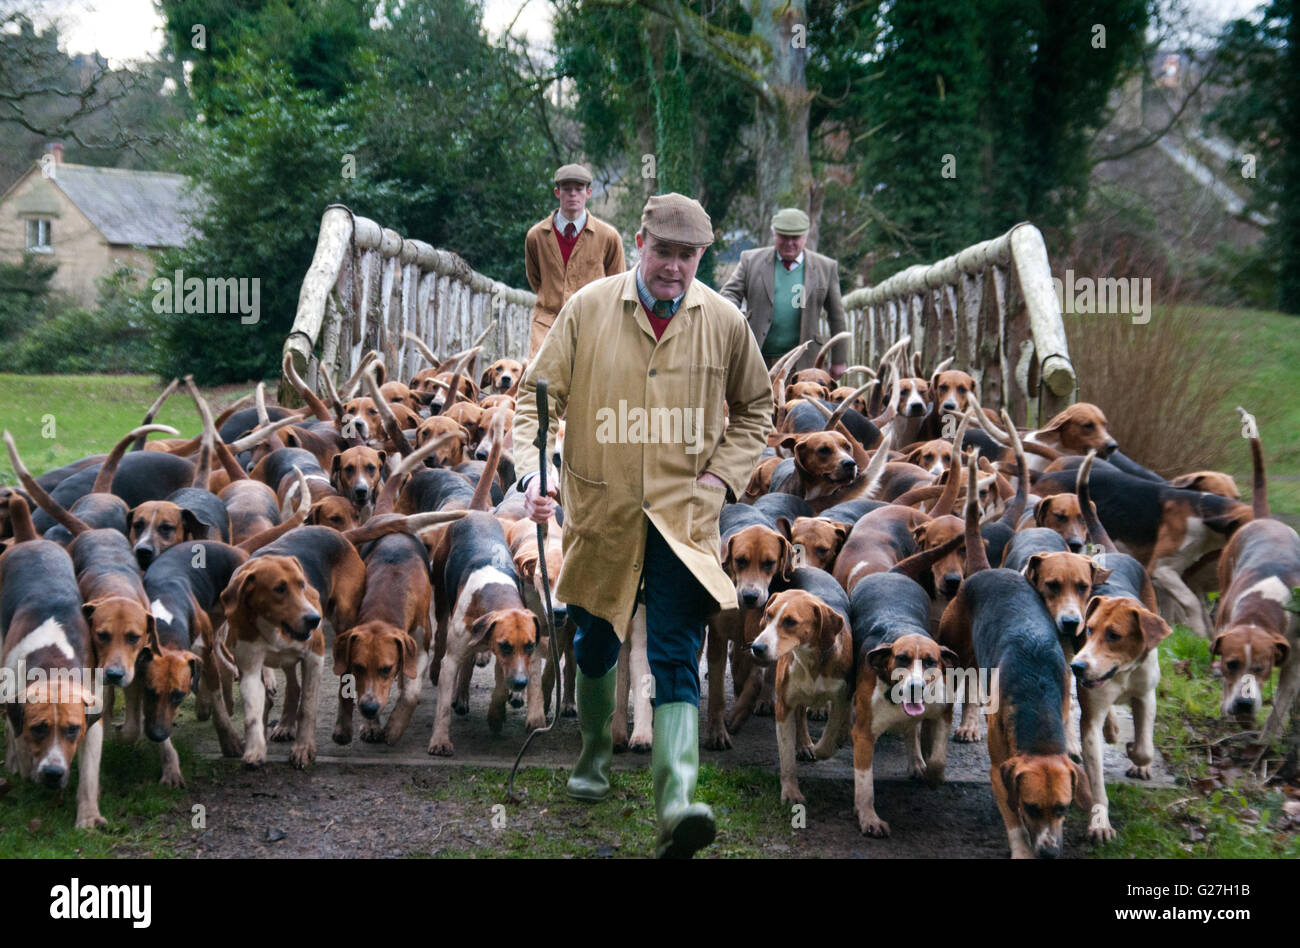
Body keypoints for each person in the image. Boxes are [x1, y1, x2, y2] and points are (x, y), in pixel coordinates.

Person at [513, 193, 773, 858]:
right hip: (603, 513)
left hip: (683, 522)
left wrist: (721, 477)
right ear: (640, 243)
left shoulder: (722, 320)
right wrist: (537, 473)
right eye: (665, 253)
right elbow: (534, 401)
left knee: (676, 653)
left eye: (689, 257)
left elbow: (756, 408)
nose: (676, 269)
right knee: (596, 643)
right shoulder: (590, 309)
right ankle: (595, 752)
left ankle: (676, 802)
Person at [720, 207, 847, 376]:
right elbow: (730, 294)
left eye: (795, 238)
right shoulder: (750, 261)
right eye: (783, 237)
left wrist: (839, 360)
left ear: (805, 236)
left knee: (801, 403)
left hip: (804, 361)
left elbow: (836, 317)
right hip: (758, 357)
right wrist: (731, 311)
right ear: (774, 234)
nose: (789, 243)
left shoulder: (826, 268)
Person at [523, 163, 625, 358]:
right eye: (567, 189)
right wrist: (553, 295)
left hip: (593, 324)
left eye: (578, 189)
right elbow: (535, 278)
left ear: (588, 193)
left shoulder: (608, 236)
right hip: (547, 323)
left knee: (587, 381)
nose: (573, 194)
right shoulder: (536, 236)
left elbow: (617, 283)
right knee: (541, 381)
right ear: (557, 192)